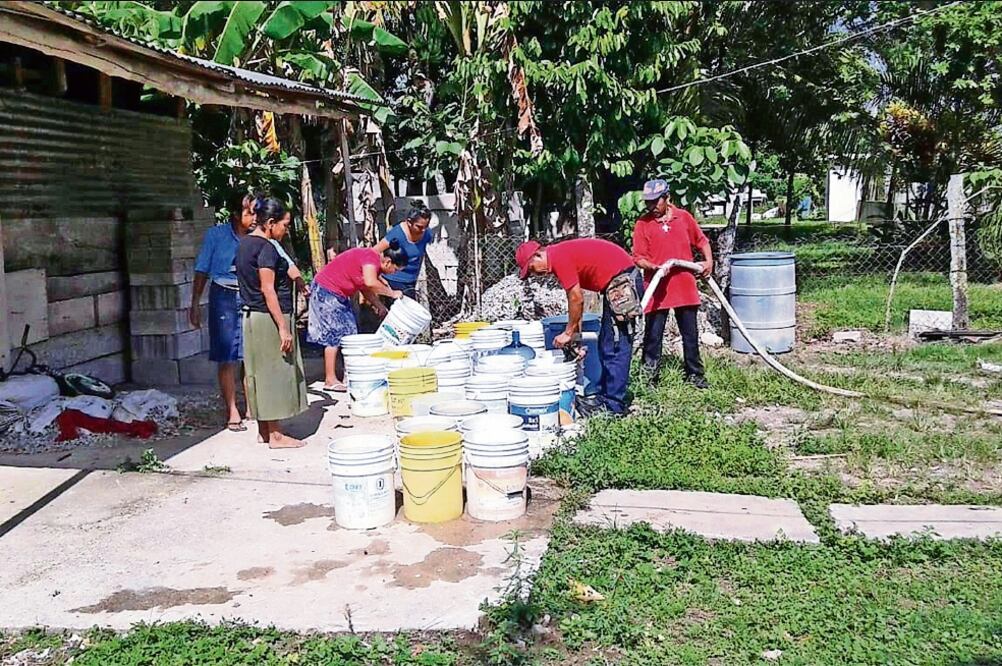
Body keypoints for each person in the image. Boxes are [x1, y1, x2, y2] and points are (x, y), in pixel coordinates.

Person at [516, 238, 640, 416]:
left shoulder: (558, 258)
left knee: (616, 346)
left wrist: (568, 333)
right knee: (606, 345)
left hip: (622, 281)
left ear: (537, 255)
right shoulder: (559, 255)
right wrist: (576, 339)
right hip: (616, 280)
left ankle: (614, 406)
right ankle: (607, 398)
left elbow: (576, 299)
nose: (534, 274)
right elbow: (575, 306)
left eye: (531, 268)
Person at [235, 198, 308, 448]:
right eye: (285, 225)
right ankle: (276, 435)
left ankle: (264, 431)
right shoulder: (266, 248)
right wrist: (284, 327)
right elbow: (268, 289)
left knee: (258, 373)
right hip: (268, 318)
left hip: (251, 317)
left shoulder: (244, 243)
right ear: (270, 223)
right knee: (275, 374)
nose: (286, 230)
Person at [632, 179, 713, 389]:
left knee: (690, 335)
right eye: (648, 203)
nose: (651, 207)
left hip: (684, 286)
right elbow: (638, 257)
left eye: (655, 202)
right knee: (653, 336)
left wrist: (708, 261)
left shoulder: (683, 218)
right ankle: (649, 379)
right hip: (657, 288)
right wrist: (655, 267)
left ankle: (695, 375)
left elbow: (702, 241)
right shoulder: (643, 224)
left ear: (667, 198)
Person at [190, 193, 254, 432]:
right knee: (226, 355)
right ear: (237, 215)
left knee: (250, 355)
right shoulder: (216, 235)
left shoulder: (258, 237)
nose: (255, 218)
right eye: (250, 213)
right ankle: (232, 410)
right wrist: (195, 303)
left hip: (250, 296)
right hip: (223, 296)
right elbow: (201, 270)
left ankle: (251, 407)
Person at [308, 242, 409, 391]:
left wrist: (379, 306)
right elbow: (370, 282)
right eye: (395, 269)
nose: (394, 273)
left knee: (349, 333)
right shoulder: (370, 258)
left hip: (338, 294)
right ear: (387, 261)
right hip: (327, 290)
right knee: (335, 334)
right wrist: (392, 293)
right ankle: (330, 379)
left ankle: (349, 376)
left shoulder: (372, 264)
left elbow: (365, 287)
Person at [374, 202, 432, 300]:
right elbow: (374, 251)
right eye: (419, 227)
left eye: (426, 227)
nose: (423, 230)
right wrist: (379, 275)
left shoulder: (426, 234)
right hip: (392, 281)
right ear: (409, 222)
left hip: (411, 282)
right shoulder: (397, 234)